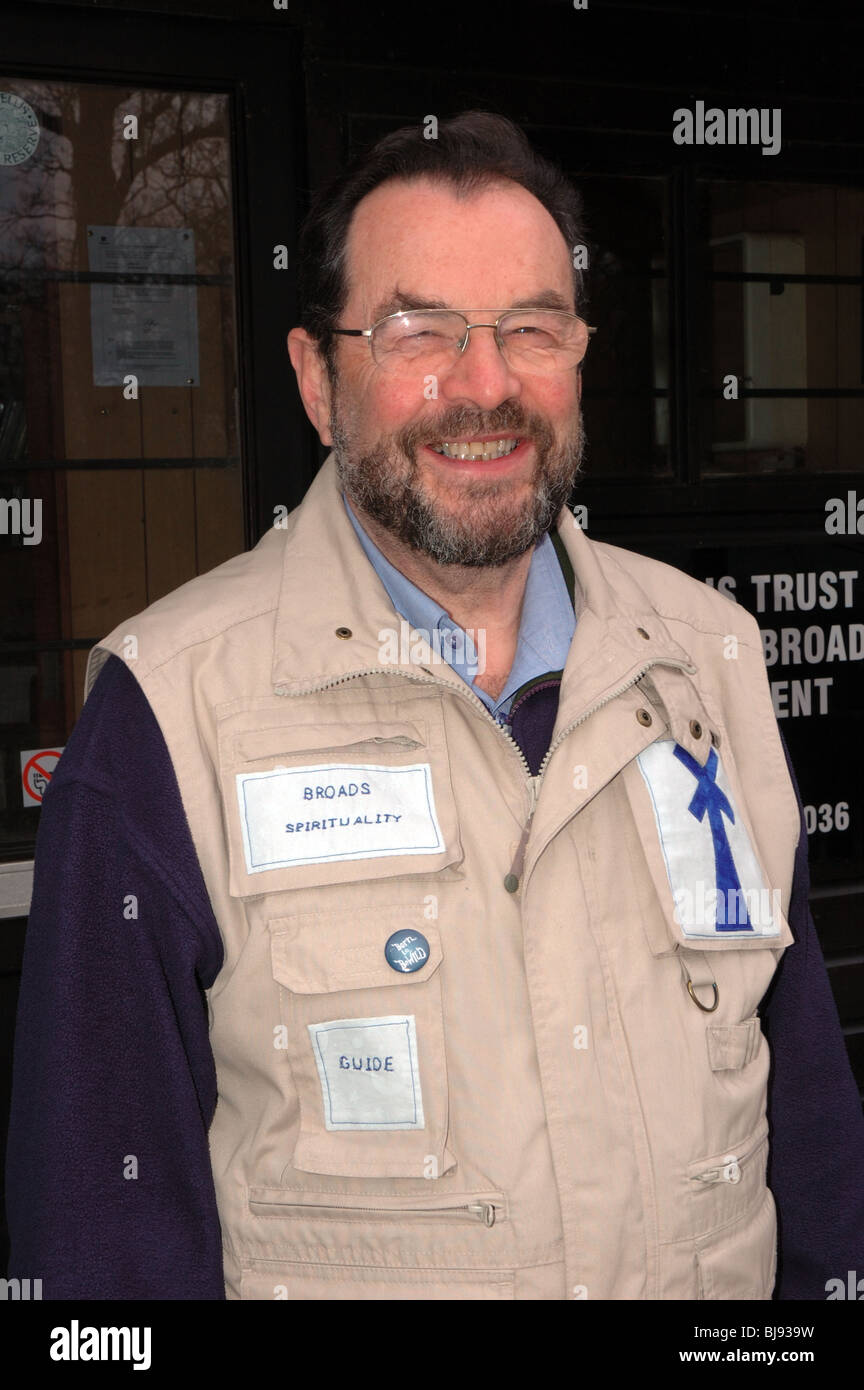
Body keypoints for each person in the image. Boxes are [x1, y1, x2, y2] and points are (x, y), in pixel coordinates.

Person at [6, 111, 864, 1301]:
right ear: (318, 379)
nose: (486, 384)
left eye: (532, 328)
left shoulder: (710, 660)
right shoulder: (171, 711)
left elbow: (809, 1131)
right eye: (419, 330)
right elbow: (99, 1229)